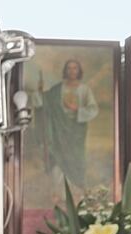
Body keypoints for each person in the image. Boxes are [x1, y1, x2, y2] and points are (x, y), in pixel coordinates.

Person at [41, 59, 99, 189]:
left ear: (79, 71)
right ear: (65, 71)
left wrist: (77, 110)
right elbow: (45, 102)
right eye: (69, 68)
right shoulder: (57, 89)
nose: (72, 71)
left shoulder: (84, 89)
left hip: (76, 131)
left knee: (77, 158)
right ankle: (61, 191)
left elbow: (93, 109)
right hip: (59, 130)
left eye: (75, 68)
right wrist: (40, 93)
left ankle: (77, 187)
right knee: (59, 157)